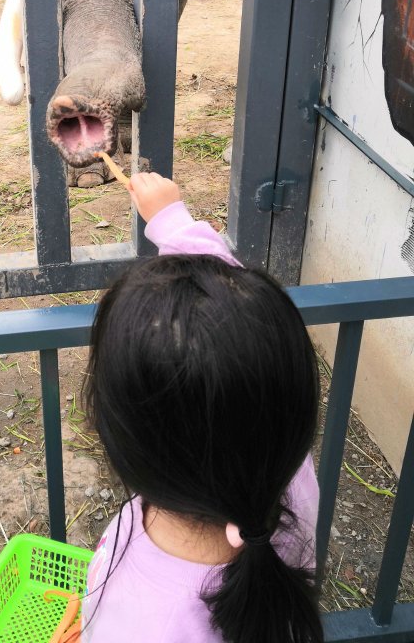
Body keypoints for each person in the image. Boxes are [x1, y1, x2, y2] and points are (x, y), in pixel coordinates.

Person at [81, 172, 322, 643]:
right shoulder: (280, 474)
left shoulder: (144, 621)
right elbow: (238, 338)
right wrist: (175, 225)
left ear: (116, 438)